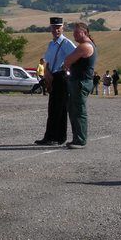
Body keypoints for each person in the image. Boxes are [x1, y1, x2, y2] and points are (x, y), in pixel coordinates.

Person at [34, 17, 76, 146]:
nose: (56, 30)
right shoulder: (51, 44)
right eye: (54, 27)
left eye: (58, 27)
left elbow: (76, 56)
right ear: (50, 28)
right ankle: (49, 136)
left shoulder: (66, 43)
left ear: (63, 28)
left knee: (60, 108)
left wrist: (67, 67)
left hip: (61, 77)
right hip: (52, 76)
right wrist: (47, 74)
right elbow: (48, 61)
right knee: (52, 108)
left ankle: (59, 137)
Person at [61, 22, 96, 149]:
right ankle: (77, 138)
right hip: (78, 81)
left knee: (79, 111)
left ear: (85, 32)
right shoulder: (85, 45)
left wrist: (67, 64)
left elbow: (67, 60)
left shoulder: (84, 47)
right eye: (74, 32)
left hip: (80, 82)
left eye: (77, 32)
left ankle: (80, 140)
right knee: (74, 110)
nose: (74, 35)